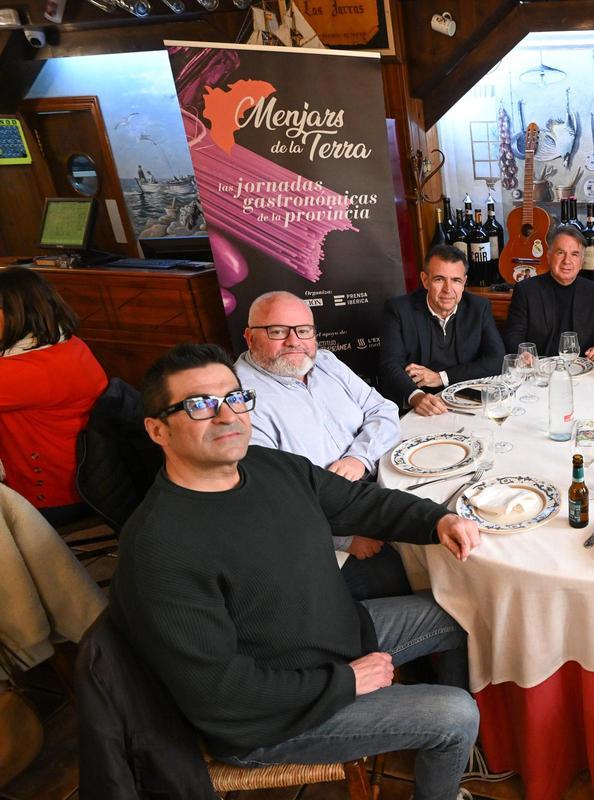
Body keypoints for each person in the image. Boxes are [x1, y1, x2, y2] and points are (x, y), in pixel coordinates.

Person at [110, 343, 481, 799]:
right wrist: (346, 681)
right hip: (270, 719)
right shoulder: (158, 547)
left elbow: (359, 502)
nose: (227, 416)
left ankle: (432, 743)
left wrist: (436, 519)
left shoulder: (268, 467)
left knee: (465, 611)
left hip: (339, 639)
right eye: (200, 405)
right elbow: (219, 693)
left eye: (234, 397)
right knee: (455, 714)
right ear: (158, 430)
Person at [235, 290, 410, 601]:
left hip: (377, 485)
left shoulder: (325, 362)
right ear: (250, 337)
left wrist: (360, 457)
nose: (294, 341)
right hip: (326, 526)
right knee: (399, 574)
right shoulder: (242, 399)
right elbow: (269, 495)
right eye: (277, 331)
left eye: (304, 331)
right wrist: (343, 540)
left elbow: (382, 410)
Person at [0, 266, 107, 525]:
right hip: (86, 486)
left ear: (16, 313)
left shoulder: (25, 371)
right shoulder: (67, 344)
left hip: (49, 499)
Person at [379, 244, 505, 416]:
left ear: (464, 282)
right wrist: (416, 396)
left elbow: (497, 360)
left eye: (456, 280)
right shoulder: (399, 310)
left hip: (466, 402)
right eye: (439, 279)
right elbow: (390, 364)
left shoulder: (478, 307)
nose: (448, 289)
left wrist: (441, 377)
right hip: (421, 406)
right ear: (425, 280)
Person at [503, 225, 594, 364]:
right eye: (560, 253)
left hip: (583, 369)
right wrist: (522, 354)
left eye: (574, 254)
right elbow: (513, 335)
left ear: (581, 262)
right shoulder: (526, 290)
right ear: (549, 257)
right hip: (539, 369)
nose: (567, 261)